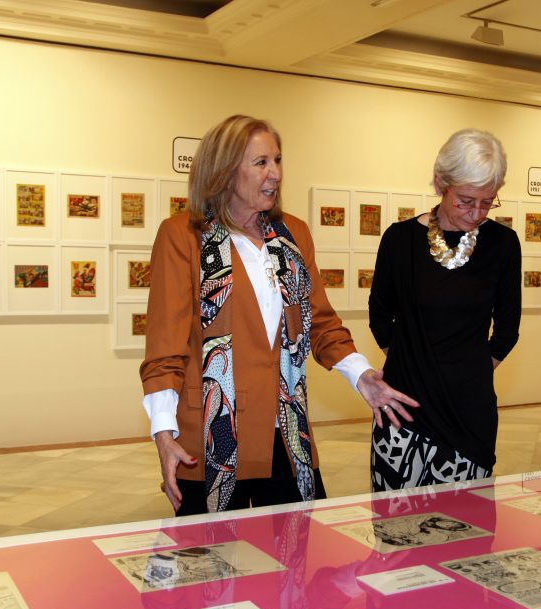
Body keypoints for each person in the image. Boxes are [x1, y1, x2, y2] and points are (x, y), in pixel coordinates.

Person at [139, 114, 416, 516]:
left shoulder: (293, 235)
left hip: (288, 436)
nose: (276, 173)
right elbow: (166, 345)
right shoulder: (183, 236)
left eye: (278, 160)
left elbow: (320, 321)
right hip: (213, 440)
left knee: (297, 560)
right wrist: (164, 432)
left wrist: (362, 376)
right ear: (225, 172)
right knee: (215, 569)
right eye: (261, 162)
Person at [368, 128, 520, 491]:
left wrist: (467, 372)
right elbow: (379, 316)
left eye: (488, 202)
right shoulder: (399, 240)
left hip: (469, 412)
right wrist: (413, 361)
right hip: (403, 408)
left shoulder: (502, 244)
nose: (477, 212)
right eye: (466, 200)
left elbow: (507, 329)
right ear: (440, 183)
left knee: (466, 533)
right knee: (396, 534)